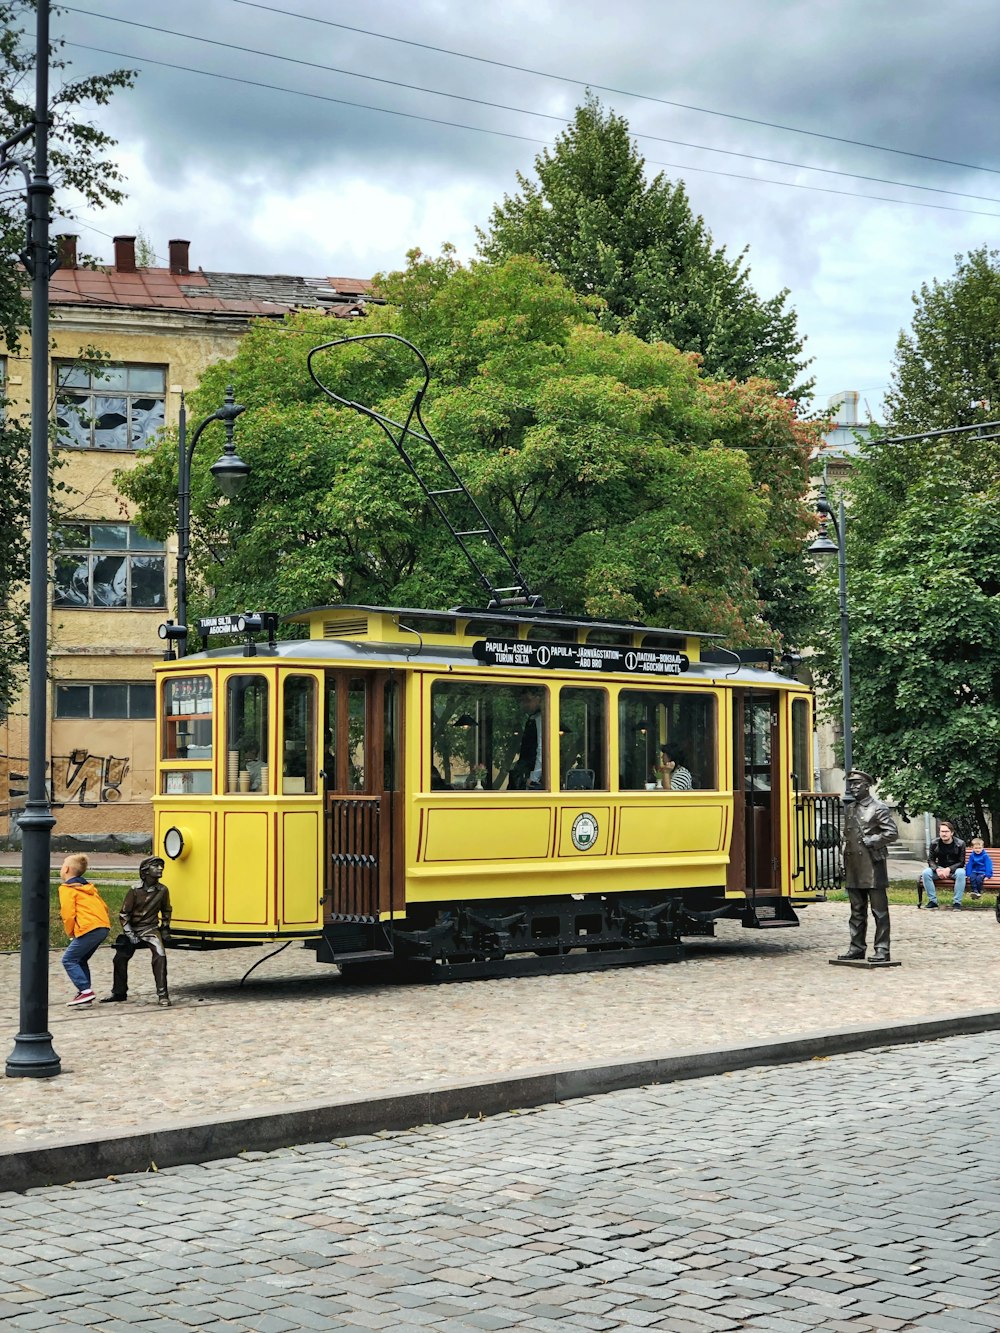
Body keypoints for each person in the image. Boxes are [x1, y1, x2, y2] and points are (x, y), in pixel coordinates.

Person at [839, 769, 898, 964]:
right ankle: (856, 947)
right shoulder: (850, 809)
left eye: (857, 784)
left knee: (879, 912)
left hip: (872, 866)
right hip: (854, 866)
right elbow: (847, 838)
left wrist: (873, 840)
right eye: (851, 784)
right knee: (856, 910)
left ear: (866, 786)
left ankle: (882, 949)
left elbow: (891, 832)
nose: (853, 788)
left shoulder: (878, 807)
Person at [102, 855, 173, 1006]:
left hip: (151, 929)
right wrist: (129, 933)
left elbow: (166, 910)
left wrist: (165, 929)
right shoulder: (134, 890)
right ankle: (119, 992)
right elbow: (124, 914)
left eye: (161, 866)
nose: (160, 869)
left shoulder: (163, 890)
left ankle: (163, 994)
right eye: (156, 866)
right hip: (133, 929)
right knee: (120, 958)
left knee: (160, 955)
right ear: (145, 871)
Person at [58, 853, 111, 1007]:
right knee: (80, 959)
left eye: (62, 864)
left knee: (68, 959)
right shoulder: (88, 888)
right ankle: (84, 993)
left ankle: (86, 990)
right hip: (102, 926)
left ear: (66, 869)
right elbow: (105, 907)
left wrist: (71, 932)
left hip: (89, 928)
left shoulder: (67, 889)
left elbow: (68, 914)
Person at [920, 819, 967, 909]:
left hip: (955, 870)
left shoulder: (960, 844)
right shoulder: (934, 843)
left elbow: (961, 862)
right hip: (940, 868)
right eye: (942, 831)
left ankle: (957, 903)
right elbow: (930, 860)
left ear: (952, 833)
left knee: (961, 873)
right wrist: (937, 869)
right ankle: (932, 901)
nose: (944, 834)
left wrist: (949, 869)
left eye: (946, 831)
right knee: (926, 873)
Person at [509, 686, 544, 789]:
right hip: (525, 770)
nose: (525, 705)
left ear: (538, 699)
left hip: (531, 774)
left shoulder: (541, 719)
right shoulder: (531, 719)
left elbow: (542, 748)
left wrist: (534, 777)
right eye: (523, 701)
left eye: (528, 700)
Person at [965, 835, 993, 900]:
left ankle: (979, 892)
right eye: (976, 848)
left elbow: (988, 865)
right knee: (972, 878)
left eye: (979, 848)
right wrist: (968, 874)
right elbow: (969, 865)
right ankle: (975, 892)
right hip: (974, 871)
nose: (978, 850)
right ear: (973, 848)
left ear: (982, 848)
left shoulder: (985, 856)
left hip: (982, 872)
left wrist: (988, 875)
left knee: (978, 879)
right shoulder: (972, 855)